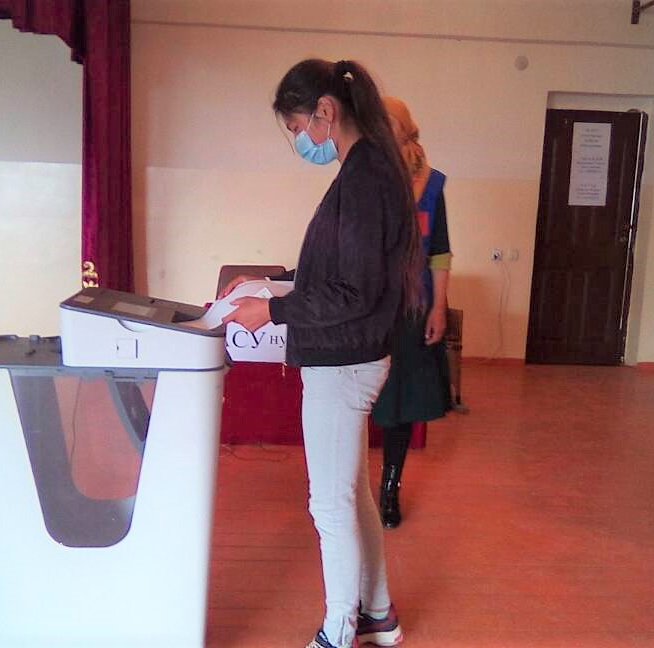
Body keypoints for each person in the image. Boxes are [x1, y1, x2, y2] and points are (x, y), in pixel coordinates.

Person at [221, 59, 422, 648]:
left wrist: (274, 311)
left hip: (344, 362)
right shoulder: (366, 170)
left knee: (329, 507)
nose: (300, 141)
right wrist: (270, 285)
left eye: (297, 127)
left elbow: (353, 292)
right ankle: (377, 614)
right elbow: (336, 272)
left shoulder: (363, 179)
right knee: (351, 499)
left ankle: (339, 630)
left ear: (325, 112)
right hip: (349, 355)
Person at [371, 96, 453, 529]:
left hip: (410, 311)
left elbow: (439, 252)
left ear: (407, 128)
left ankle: (389, 489)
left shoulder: (432, 186)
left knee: (399, 404)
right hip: (367, 309)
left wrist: (438, 307)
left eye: (390, 122)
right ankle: (347, 489)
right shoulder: (365, 176)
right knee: (358, 400)